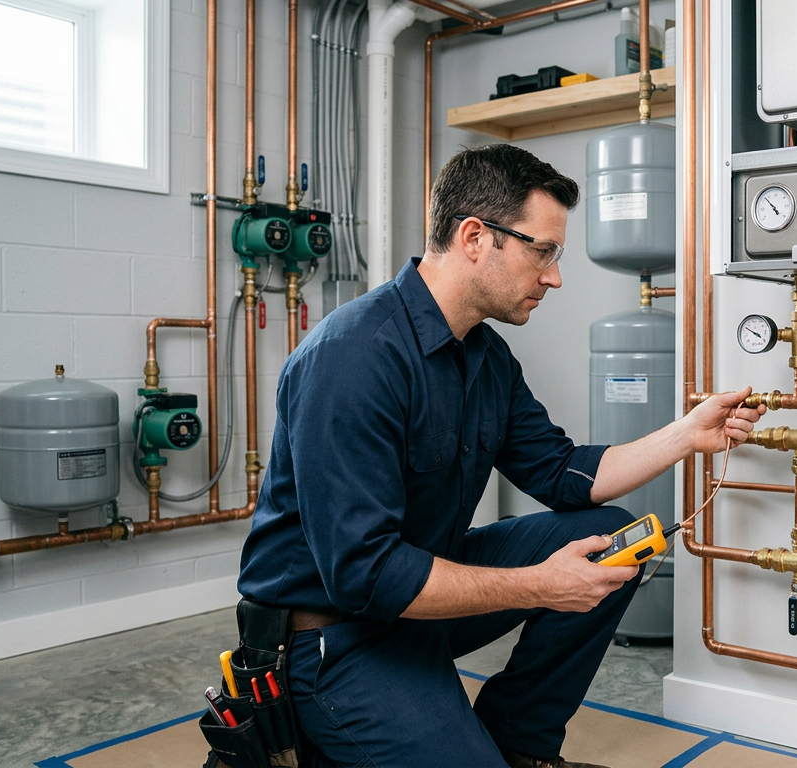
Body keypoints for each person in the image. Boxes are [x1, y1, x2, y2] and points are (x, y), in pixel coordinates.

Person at [238, 143, 762, 768]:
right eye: (543, 251)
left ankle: (520, 745)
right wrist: (543, 584)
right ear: (474, 237)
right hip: (333, 637)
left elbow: (561, 472)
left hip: (418, 595)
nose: (555, 276)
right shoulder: (353, 358)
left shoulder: (485, 357)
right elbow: (365, 574)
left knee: (611, 535)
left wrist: (686, 435)